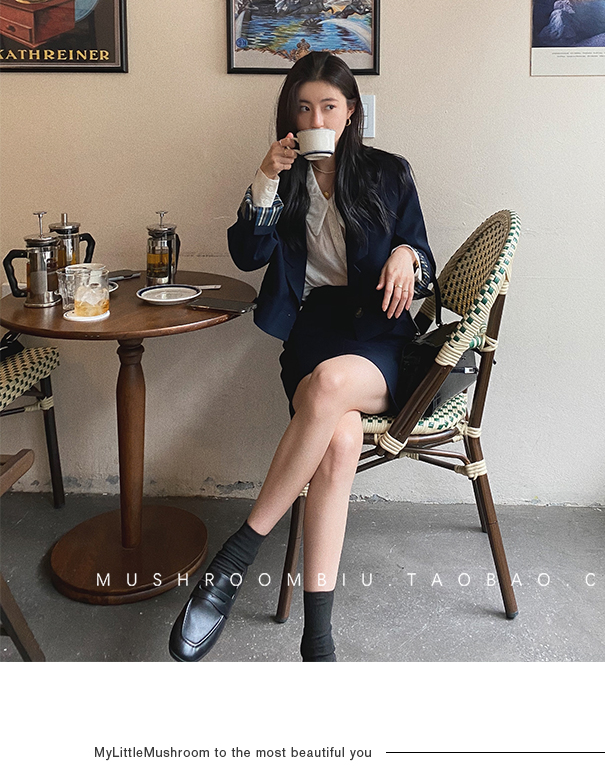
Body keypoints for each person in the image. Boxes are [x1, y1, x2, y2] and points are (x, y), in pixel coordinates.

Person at [169, 51, 435, 663]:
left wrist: (407, 255)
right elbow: (247, 255)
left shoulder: (388, 173)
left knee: (331, 386)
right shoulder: (283, 179)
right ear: (291, 115)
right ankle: (318, 642)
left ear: (350, 113)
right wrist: (264, 178)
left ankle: (236, 558)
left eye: (329, 107)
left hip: (380, 333)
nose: (316, 119)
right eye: (304, 108)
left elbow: (422, 257)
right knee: (339, 440)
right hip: (311, 331)